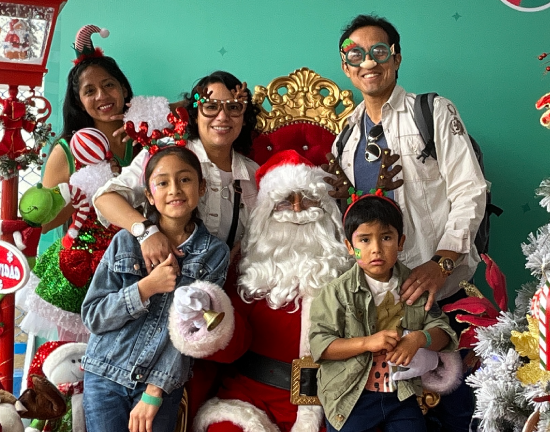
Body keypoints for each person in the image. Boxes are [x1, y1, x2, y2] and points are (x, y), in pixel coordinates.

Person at [330, 14, 487, 431]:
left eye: (379, 51)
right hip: (381, 309)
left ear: (396, 58)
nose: (369, 62)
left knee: (458, 412)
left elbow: (471, 191)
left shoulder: (431, 112)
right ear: (345, 66)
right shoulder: (345, 139)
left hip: (442, 295)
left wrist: (442, 262)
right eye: (355, 55)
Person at [169, 150, 351, 432]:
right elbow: (232, 346)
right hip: (254, 398)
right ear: (266, 213)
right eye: (285, 200)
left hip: (334, 401)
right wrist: (209, 319)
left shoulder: (351, 271)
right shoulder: (249, 270)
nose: (298, 210)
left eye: (308, 198)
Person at [81, 145, 229, 432]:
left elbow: (194, 334)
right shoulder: (125, 242)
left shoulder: (213, 253)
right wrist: (146, 288)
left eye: (184, 179)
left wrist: (154, 390)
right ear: (149, 195)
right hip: (105, 375)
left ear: (201, 188)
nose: (174, 190)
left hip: (159, 384)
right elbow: (94, 316)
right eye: (162, 183)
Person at [20, 24, 141, 342]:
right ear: (79, 101)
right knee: (75, 361)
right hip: (82, 269)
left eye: (109, 85)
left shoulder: (145, 139)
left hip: (137, 265)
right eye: (90, 91)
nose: (102, 96)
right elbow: (46, 223)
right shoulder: (66, 151)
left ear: (123, 88)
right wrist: (80, 193)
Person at [309, 195, 458, 432]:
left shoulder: (415, 286)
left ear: (401, 242)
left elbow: (444, 334)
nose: (376, 249)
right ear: (350, 247)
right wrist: (366, 343)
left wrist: (419, 339)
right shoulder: (336, 292)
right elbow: (321, 345)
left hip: (401, 393)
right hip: (351, 395)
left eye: (386, 238)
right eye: (365, 240)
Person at [94, 71, 260, 256]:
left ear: (244, 119)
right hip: (160, 269)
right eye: (211, 107)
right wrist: (147, 233)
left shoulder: (255, 174)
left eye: (234, 107)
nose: (222, 116)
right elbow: (105, 199)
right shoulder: (164, 153)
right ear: (195, 115)